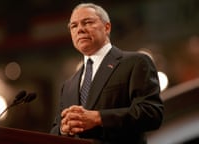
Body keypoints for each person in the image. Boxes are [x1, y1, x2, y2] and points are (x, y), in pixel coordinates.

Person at [50, 3, 164, 144]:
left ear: (107, 27)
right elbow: (55, 131)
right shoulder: (68, 85)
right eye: (74, 26)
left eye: (87, 22)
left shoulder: (135, 62)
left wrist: (98, 117)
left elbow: (151, 114)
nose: (80, 29)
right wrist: (63, 129)